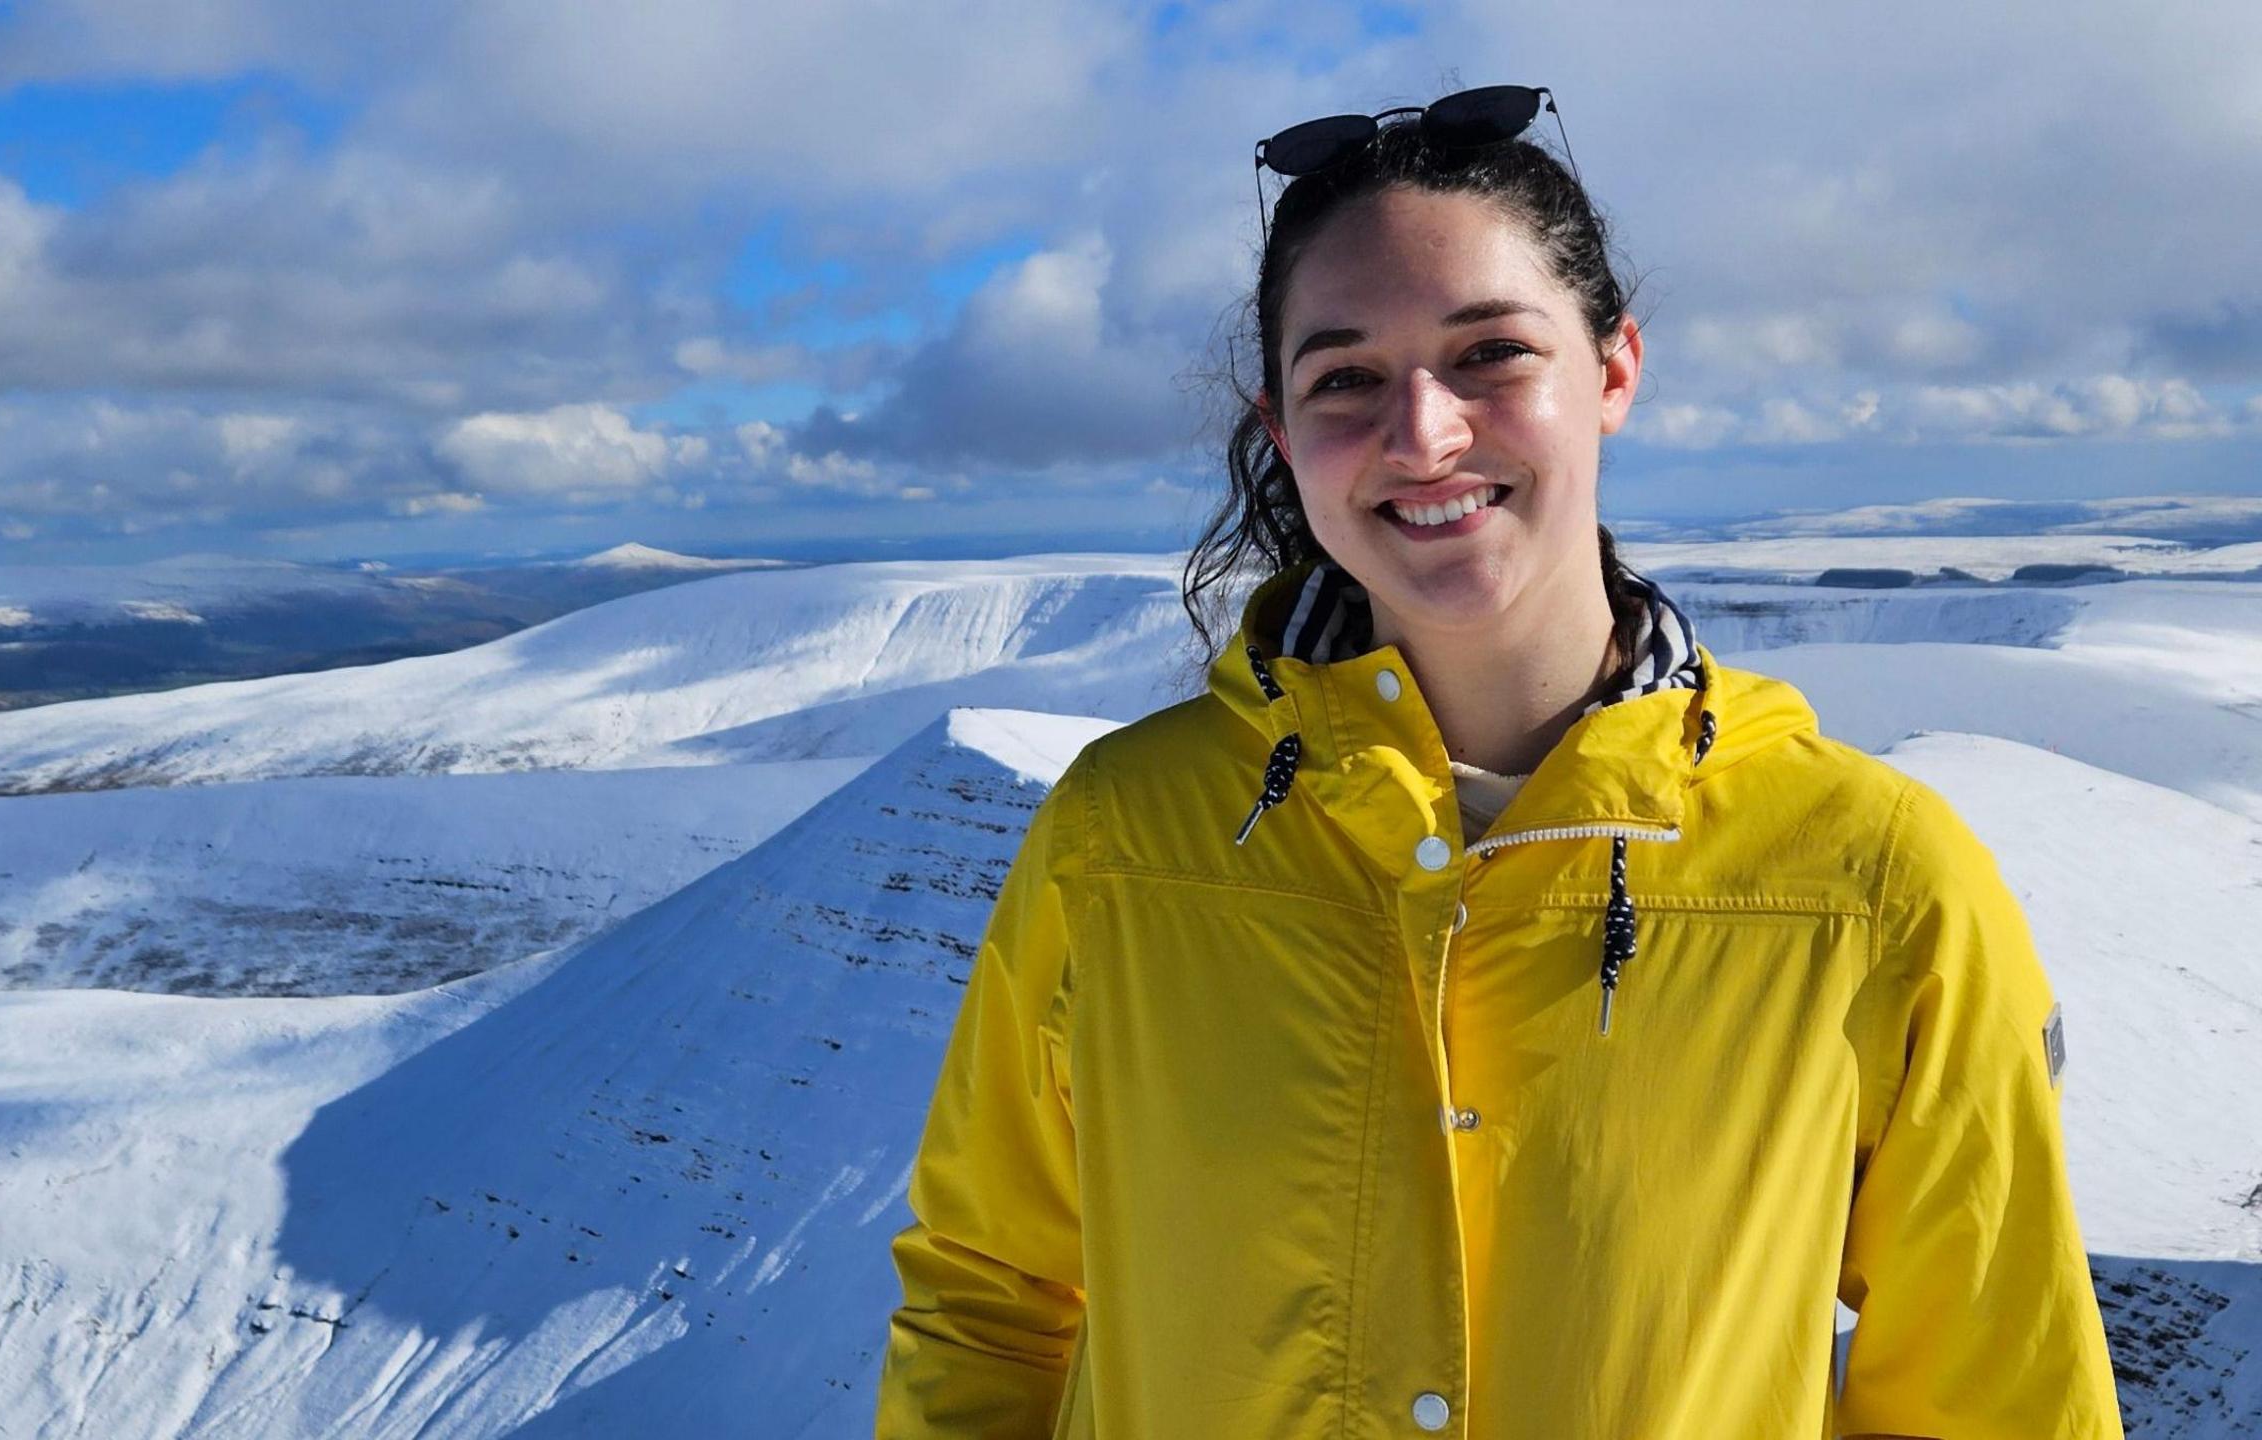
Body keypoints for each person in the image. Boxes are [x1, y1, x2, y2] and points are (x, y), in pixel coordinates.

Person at [875, 85, 2123, 1439]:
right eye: (1345, 377)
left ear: (1614, 370)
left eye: (1490, 354)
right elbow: (989, 1299)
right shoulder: (1120, 840)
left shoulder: (1875, 883)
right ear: (1282, 433)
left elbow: (1997, 1397)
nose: (1423, 434)